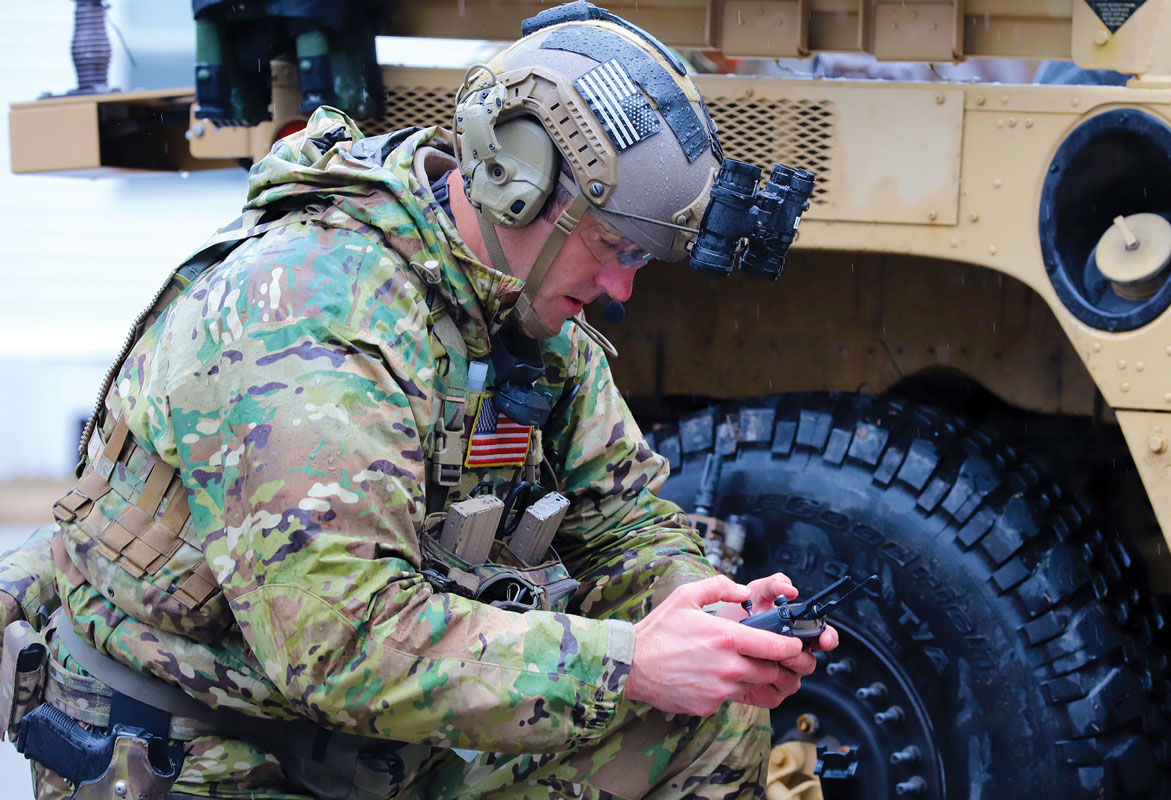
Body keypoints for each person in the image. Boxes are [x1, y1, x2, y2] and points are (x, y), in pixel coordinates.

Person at [0, 3, 836, 798]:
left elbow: (623, 525)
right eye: (614, 246)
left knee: (710, 715)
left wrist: (702, 621)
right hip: (203, 748)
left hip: (366, 741)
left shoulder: (527, 322)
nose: (621, 287)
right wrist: (630, 662)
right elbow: (342, 648)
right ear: (518, 180)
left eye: (641, 261)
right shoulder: (312, 316)